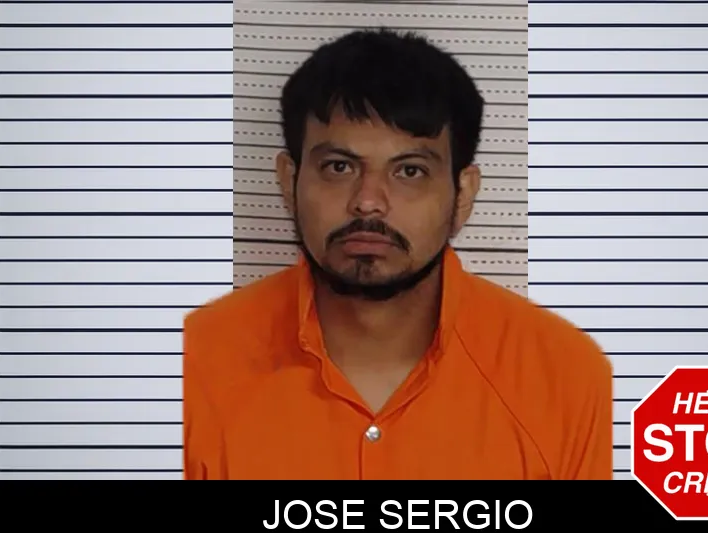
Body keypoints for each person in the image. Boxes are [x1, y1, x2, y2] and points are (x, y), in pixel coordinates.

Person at [183, 28, 614, 480]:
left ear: (463, 193)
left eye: (410, 171)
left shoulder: (565, 378)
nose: (368, 201)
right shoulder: (190, 367)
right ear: (289, 181)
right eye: (338, 167)